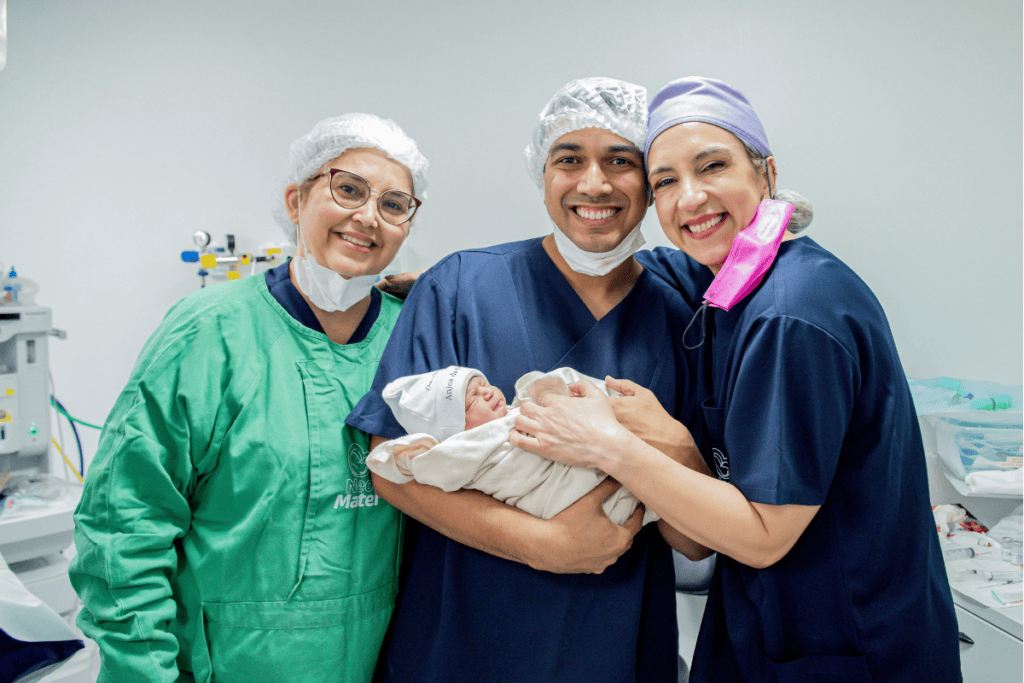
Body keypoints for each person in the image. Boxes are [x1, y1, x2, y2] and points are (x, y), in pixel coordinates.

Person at [510, 77, 962, 682]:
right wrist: (476, 272)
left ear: (766, 174)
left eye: (711, 166)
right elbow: (626, 262)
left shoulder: (792, 314)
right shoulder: (730, 279)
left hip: (848, 643)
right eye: (665, 181)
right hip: (772, 626)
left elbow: (763, 536)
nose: (689, 198)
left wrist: (610, 445)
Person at [345, 77, 709, 682]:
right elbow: (393, 470)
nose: (593, 183)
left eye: (620, 161)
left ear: (652, 182)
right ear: (543, 176)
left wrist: (674, 450)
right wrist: (545, 544)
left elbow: (696, 540)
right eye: (569, 160)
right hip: (465, 639)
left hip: (617, 644)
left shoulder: (683, 317)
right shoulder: (460, 286)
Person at [69, 113, 429, 683]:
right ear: (295, 200)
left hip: (375, 658)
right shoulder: (209, 333)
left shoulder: (413, 338)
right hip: (225, 664)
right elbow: (123, 527)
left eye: (393, 204)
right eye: (348, 189)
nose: (367, 217)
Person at [368, 366, 654, 523]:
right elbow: (426, 463)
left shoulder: (517, 410)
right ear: (453, 431)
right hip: (570, 497)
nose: (485, 392)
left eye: (481, 383)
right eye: (471, 400)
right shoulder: (466, 450)